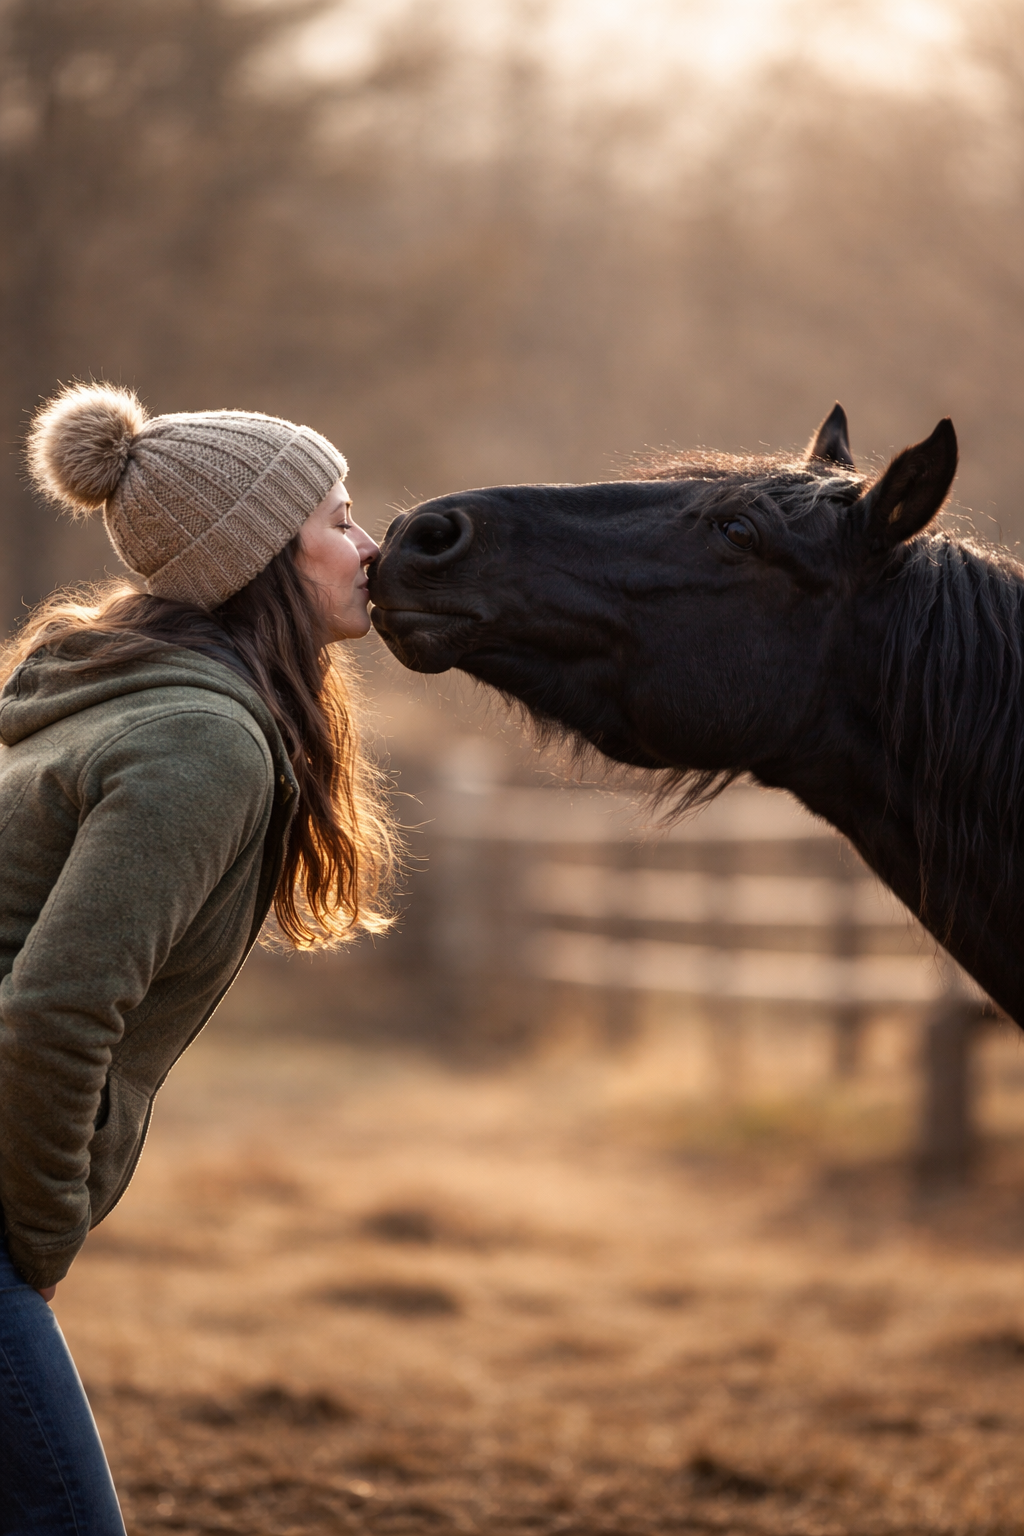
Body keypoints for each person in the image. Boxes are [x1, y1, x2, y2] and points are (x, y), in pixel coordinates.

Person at [0, 383, 395, 1532]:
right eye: (336, 518)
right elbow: (56, 1012)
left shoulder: (101, 694)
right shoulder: (203, 738)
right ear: (262, 555)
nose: (367, 546)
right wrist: (38, 1235)